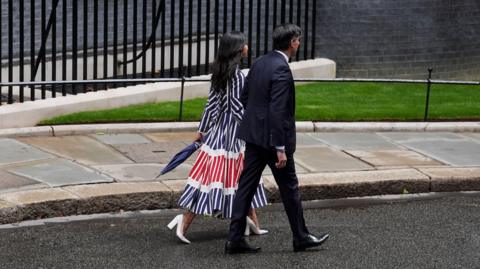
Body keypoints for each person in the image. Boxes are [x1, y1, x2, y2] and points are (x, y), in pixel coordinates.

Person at [225, 24, 330, 254]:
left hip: (254, 139)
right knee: (290, 189)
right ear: (292, 42)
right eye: (298, 40)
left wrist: (256, 125)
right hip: (273, 143)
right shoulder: (281, 69)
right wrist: (280, 147)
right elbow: (279, 110)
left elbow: (245, 98)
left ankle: (234, 239)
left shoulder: (260, 63)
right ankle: (301, 237)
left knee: (245, 187)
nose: (299, 43)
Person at [167, 31, 269, 244]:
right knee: (238, 177)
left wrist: (202, 131)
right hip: (232, 137)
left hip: (218, 134)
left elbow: (211, 105)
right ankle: (184, 221)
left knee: (230, 178)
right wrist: (252, 128)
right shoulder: (237, 76)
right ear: (238, 49)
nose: (248, 46)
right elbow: (234, 107)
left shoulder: (220, 73)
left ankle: (253, 225)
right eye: (245, 44)